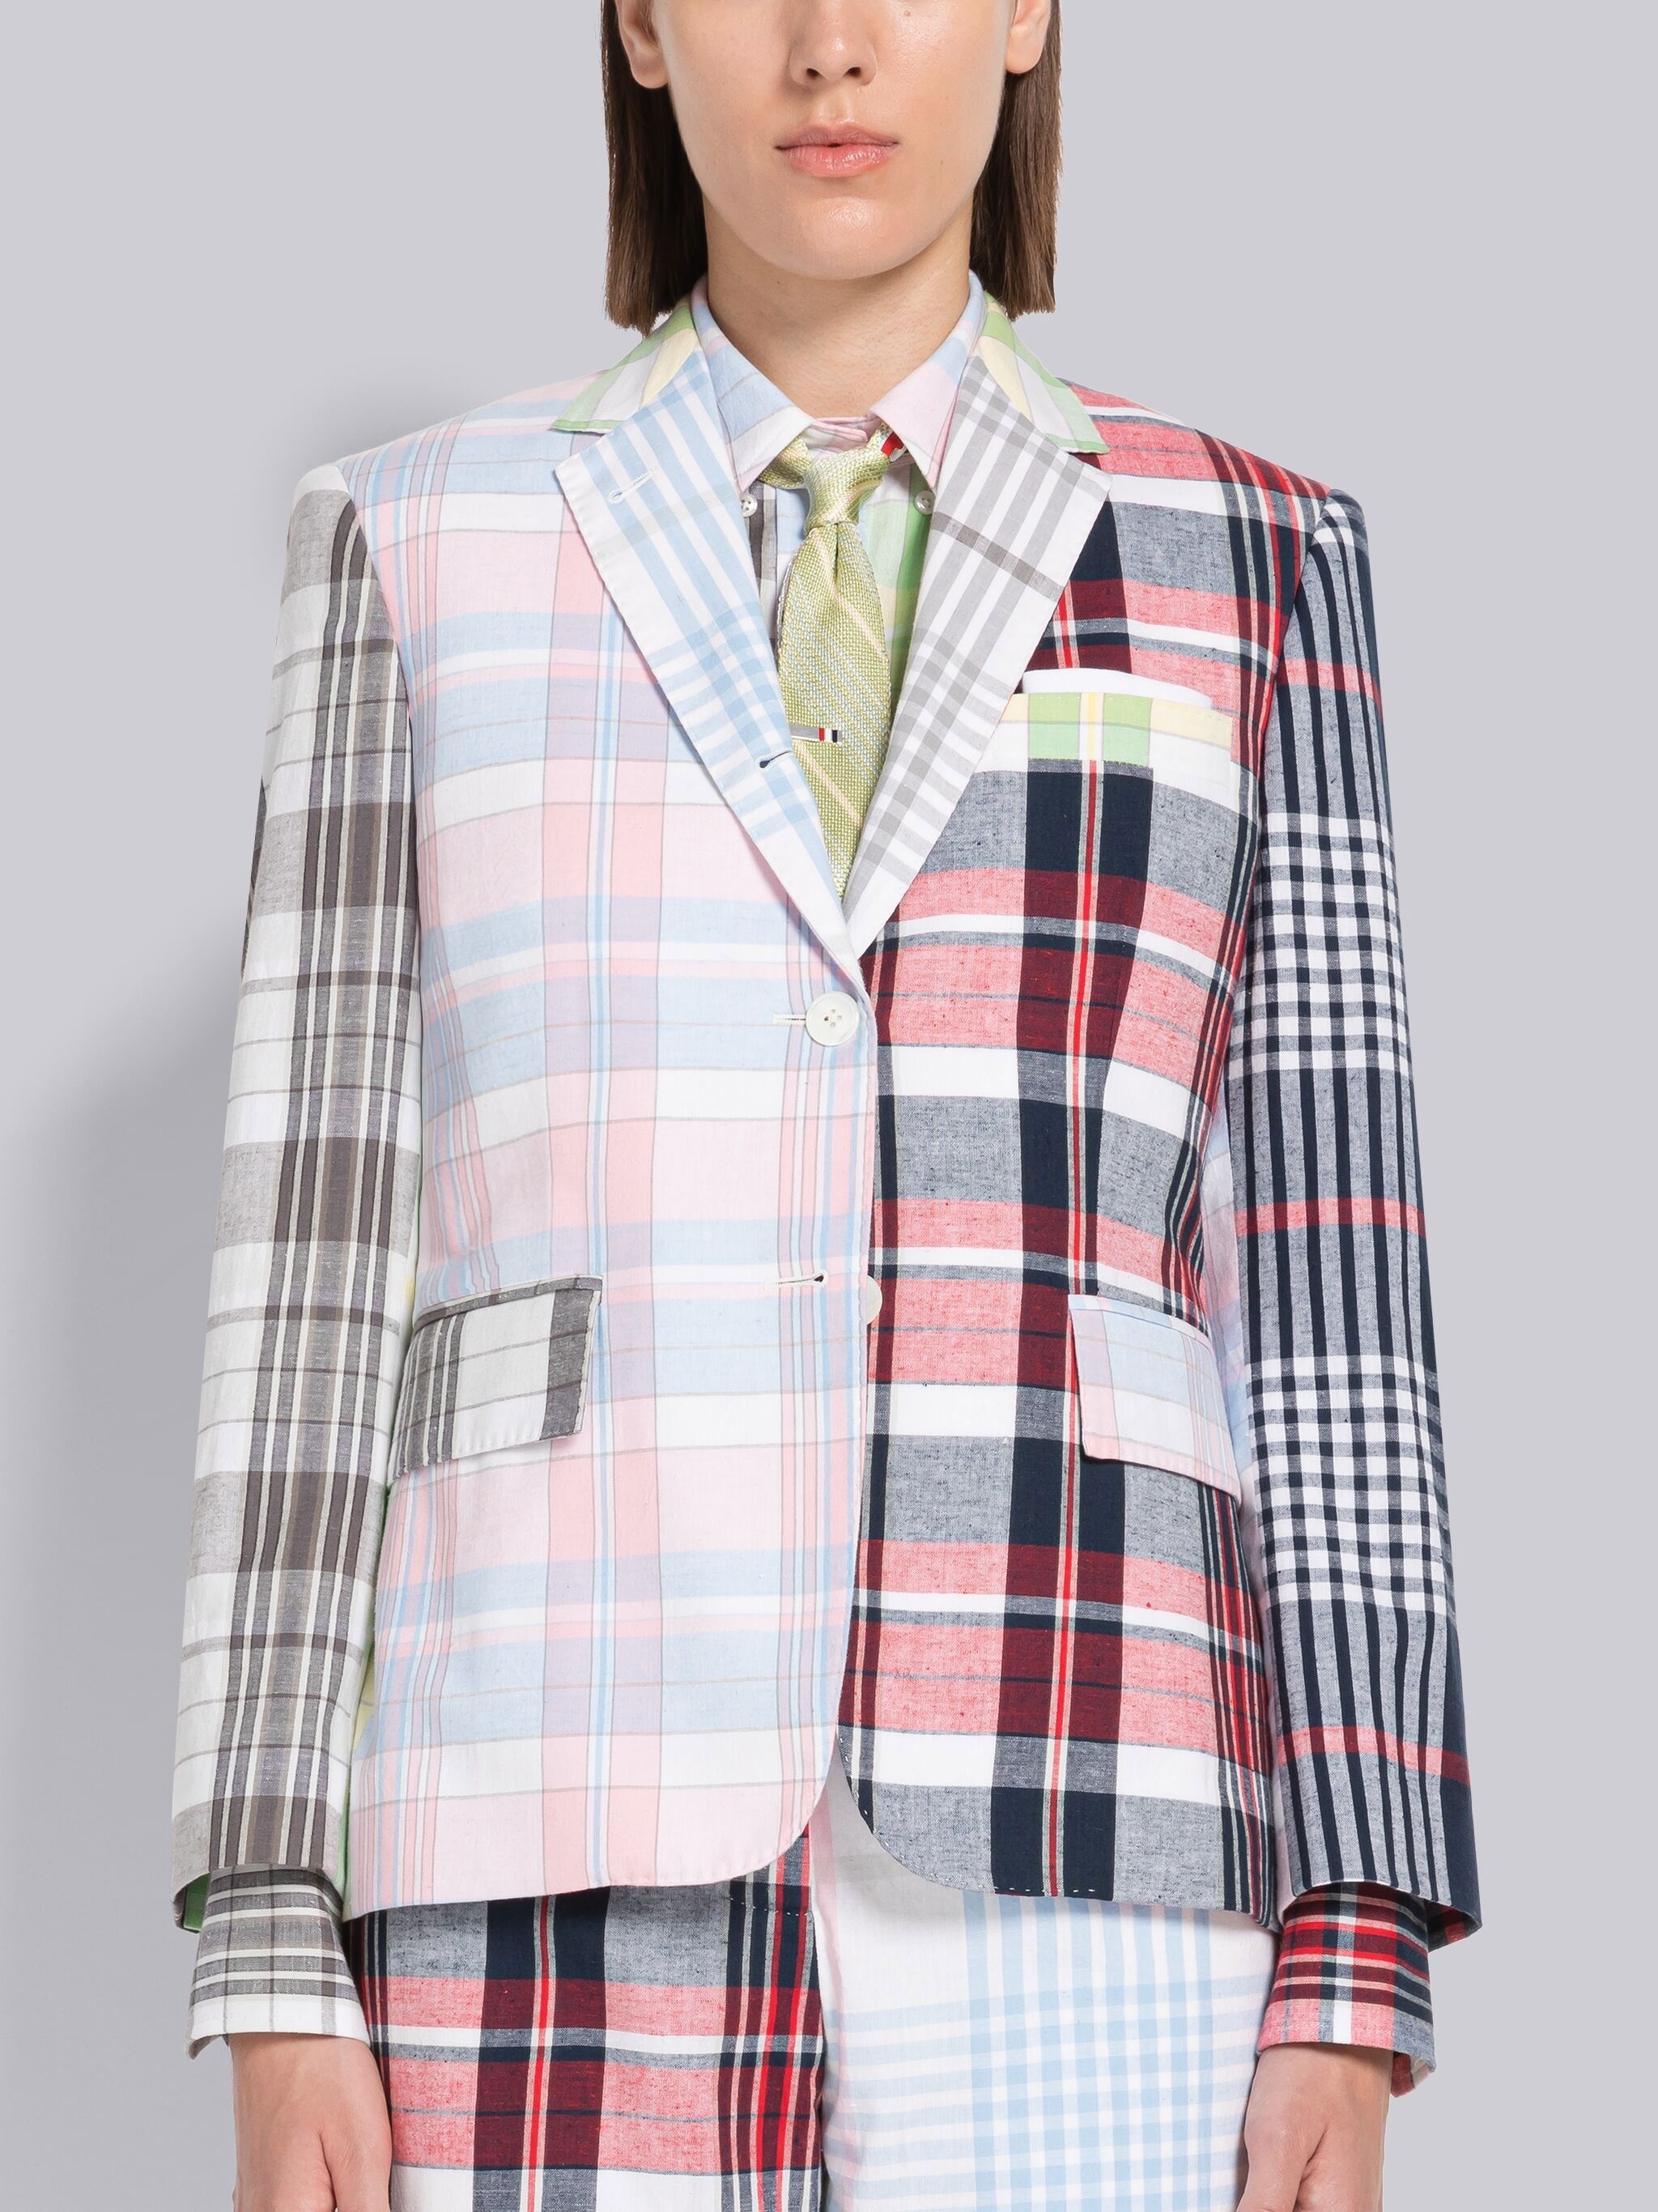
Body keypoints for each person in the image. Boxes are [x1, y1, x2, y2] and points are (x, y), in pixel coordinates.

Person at [171, 4, 1480, 2205]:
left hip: (1095, 1797)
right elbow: (307, 1276)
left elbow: (1338, 1286)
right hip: (541, 1796)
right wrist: (273, 1935)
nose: (832, 43)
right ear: (641, 25)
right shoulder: (414, 541)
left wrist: (1358, 1941)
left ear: (1030, 13)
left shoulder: (1249, 555)